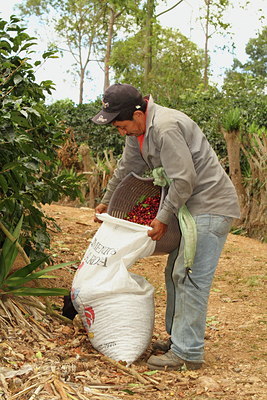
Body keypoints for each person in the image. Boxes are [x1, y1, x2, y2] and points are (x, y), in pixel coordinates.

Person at [91, 83, 240, 370]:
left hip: (210, 206)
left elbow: (184, 180)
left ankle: (188, 353)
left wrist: (163, 216)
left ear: (137, 114)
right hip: (190, 209)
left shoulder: (166, 127)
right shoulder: (139, 132)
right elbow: (127, 166)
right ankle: (180, 340)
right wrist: (108, 200)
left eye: (122, 126)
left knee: (190, 276)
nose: (121, 132)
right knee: (175, 273)